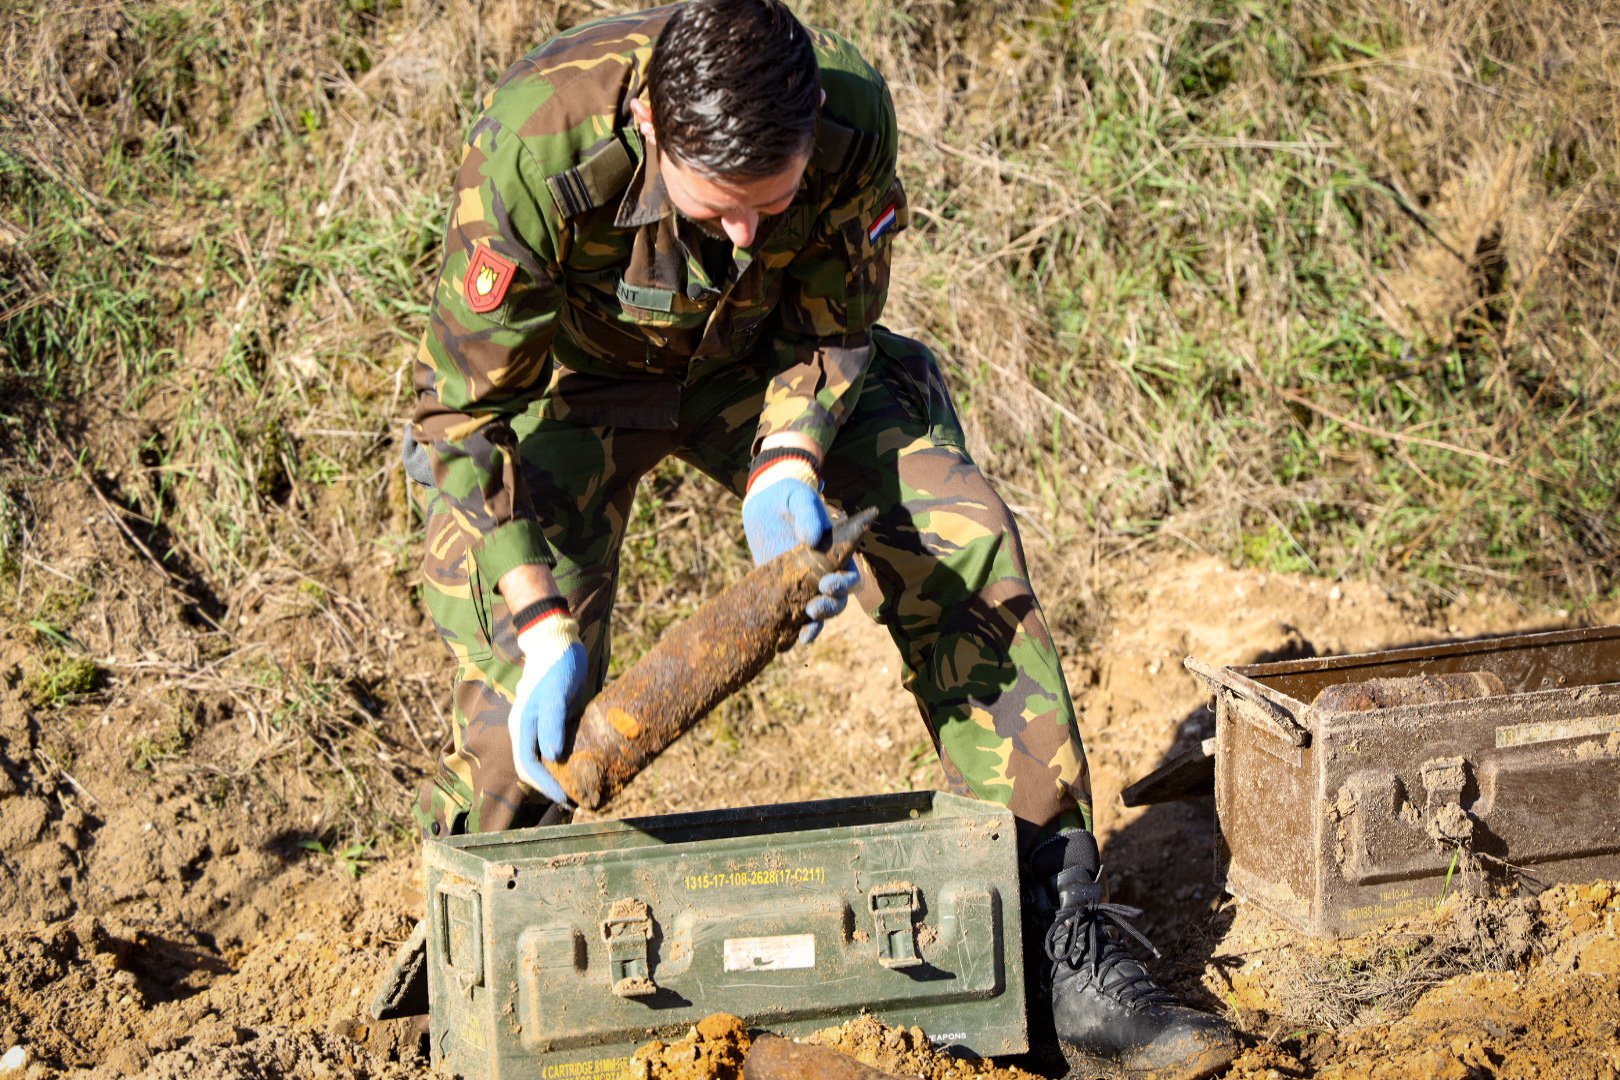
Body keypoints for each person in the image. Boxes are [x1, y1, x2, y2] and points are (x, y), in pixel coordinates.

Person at [404, 1, 1237, 1075]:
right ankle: (475, 941)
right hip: (570, 392)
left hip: (765, 367)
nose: (749, 233)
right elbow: (460, 426)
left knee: (960, 538)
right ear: (654, 124)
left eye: (774, 202)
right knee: (523, 696)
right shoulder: (536, 141)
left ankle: (1051, 930)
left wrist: (789, 455)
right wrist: (540, 618)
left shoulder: (845, 113)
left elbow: (839, 320)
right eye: (721, 208)